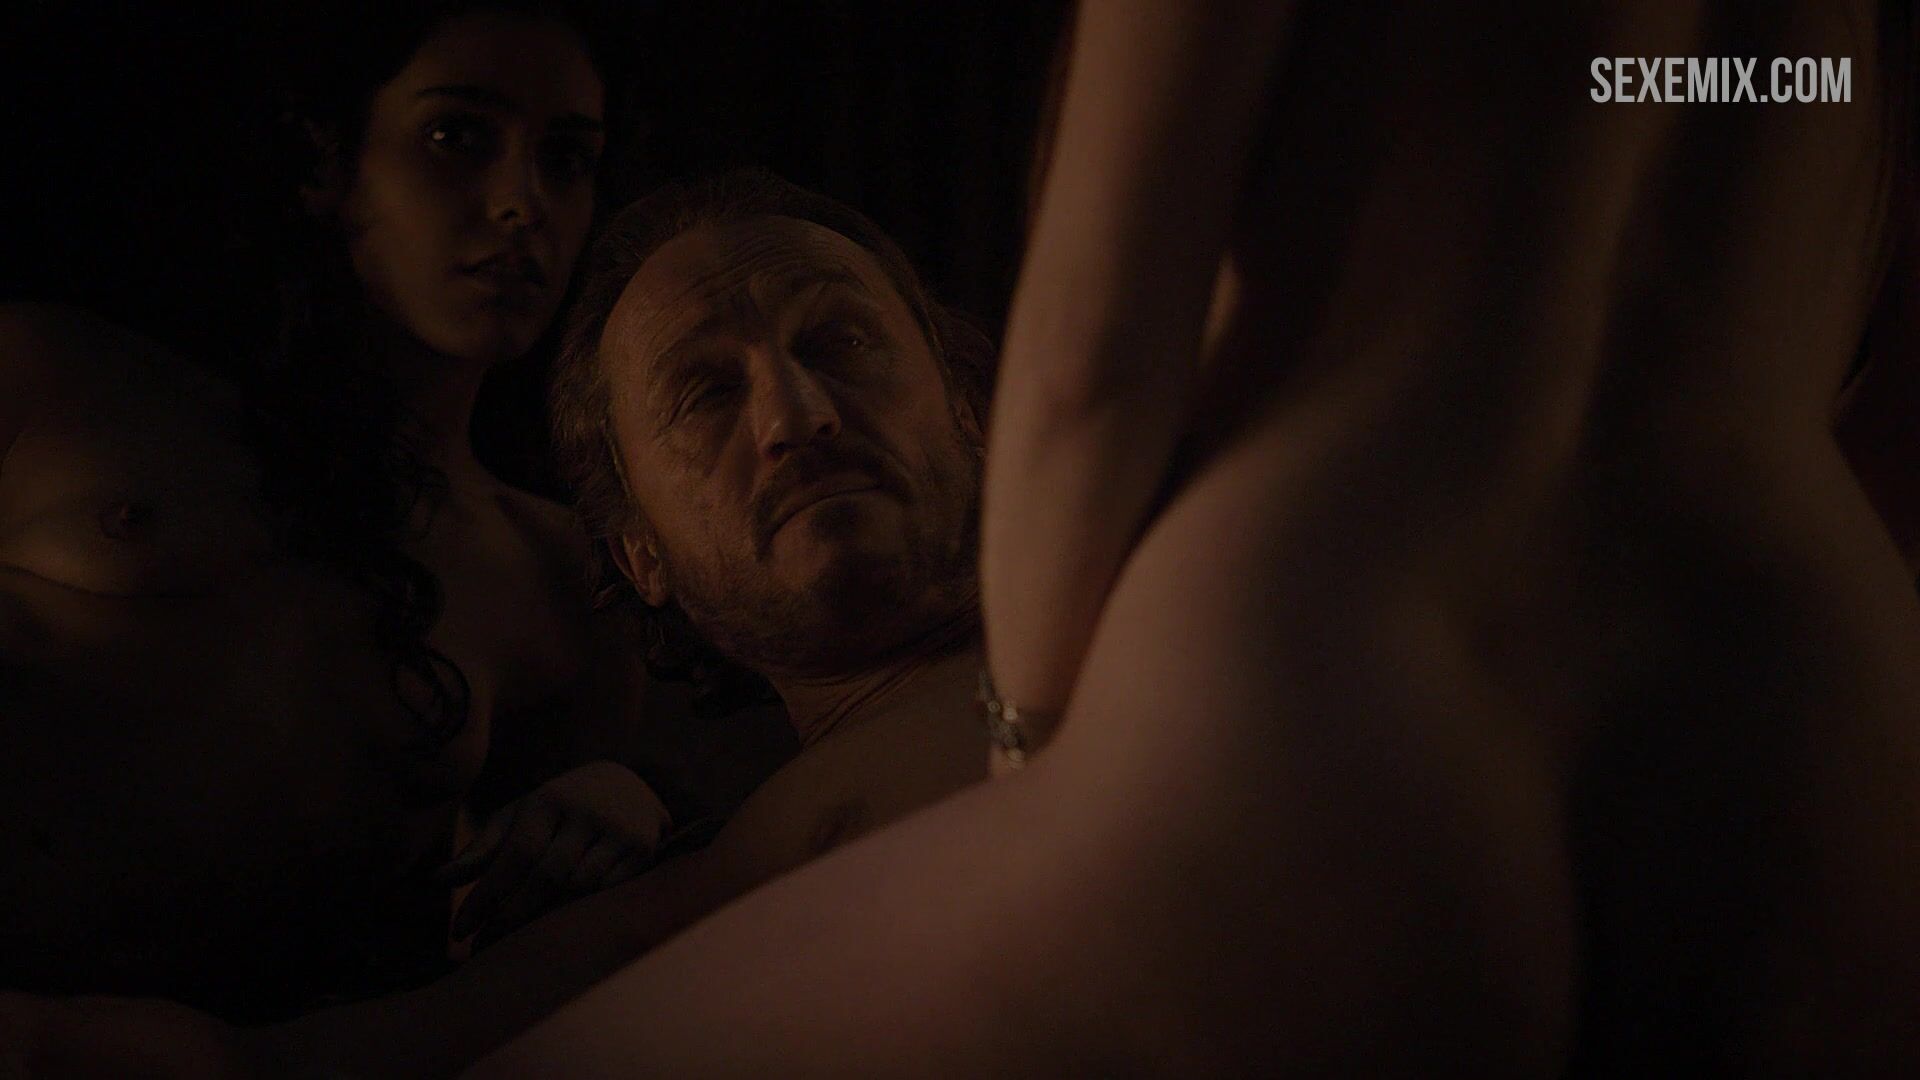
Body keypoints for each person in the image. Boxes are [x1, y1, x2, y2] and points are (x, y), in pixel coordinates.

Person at [468, 2, 1920, 1073]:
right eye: (706, 394)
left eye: (841, 340)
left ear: (954, 390)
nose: (794, 416)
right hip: (1808, 678)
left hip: (1323, 645)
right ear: (630, 544)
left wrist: (1048, 779)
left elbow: (1088, 368)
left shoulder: (1011, 678)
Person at [265, 0, 687, 948]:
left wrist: (620, 806)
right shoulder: (85, 395)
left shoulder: (561, 572)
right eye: (456, 137)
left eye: (566, 159)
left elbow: (521, 956)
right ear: (328, 162)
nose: (520, 203)